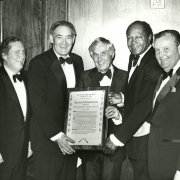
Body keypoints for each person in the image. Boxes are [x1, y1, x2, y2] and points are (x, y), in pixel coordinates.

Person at [103, 20, 163, 180]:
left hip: (146, 140)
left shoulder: (154, 62)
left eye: (138, 37)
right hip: (137, 139)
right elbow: (141, 92)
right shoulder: (136, 56)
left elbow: (144, 105)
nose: (133, 42)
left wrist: (117, 138)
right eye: (129, 38)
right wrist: (122, 98)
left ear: (150, 38)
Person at [28, 20, 84, 180]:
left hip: (72, 139)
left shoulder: (78, 61)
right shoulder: (38, 63)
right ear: (51, 39)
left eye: (69, 37)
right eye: (59, 37)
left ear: (74, 39)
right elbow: (38, 104)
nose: (64, 42)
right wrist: (57, 136)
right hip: (48, 141)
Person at [78, 37, 127, 180]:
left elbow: (133, 109)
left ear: (112, 54)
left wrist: (118, 116)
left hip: (115, 147)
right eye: (95, 54)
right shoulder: (84, 76)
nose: (99, 59)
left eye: (103, 53)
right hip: (89, 150)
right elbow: (78, 109)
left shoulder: (126, 76)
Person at [148, 30, 180, 180]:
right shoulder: (163, 76)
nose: (161, 55)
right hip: (159, 162)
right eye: (157, 50)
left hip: (174, 166)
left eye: (166, 49)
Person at [0, 36, 32, 180]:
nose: (22, 57)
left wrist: (30, 142)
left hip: (24, 149)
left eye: (23, 52)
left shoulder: (28, 77)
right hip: (3, 151)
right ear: (4, 55)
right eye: (17, 52)